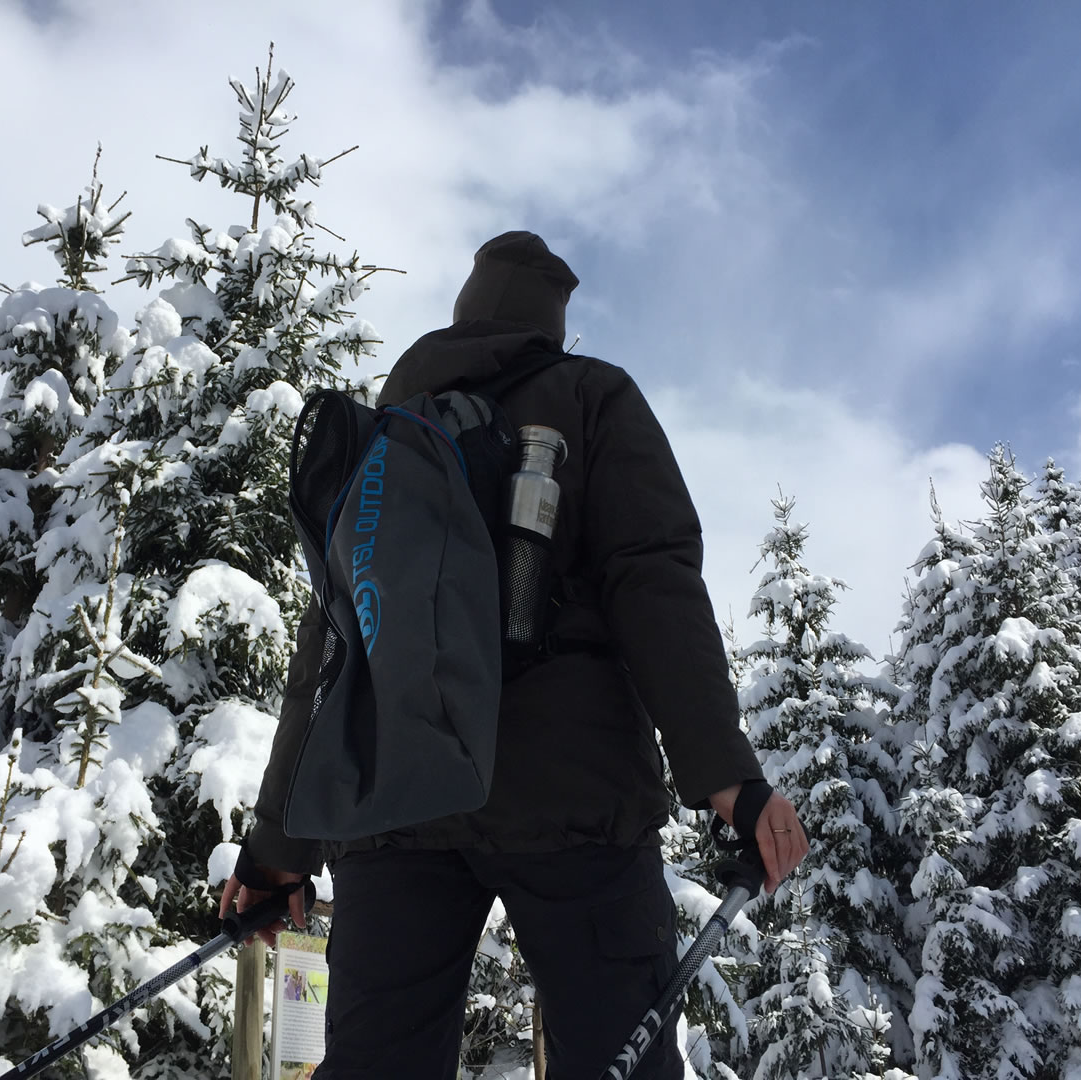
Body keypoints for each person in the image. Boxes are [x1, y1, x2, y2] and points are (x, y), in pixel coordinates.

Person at [219, 232, 808, 1078]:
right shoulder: (591, 396)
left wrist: (281, 847)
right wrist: (726, 774)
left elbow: (331, 646)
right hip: (573, 794)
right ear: (550, 326)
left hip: (395, 801)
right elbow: (653, 582)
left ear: (463, 316)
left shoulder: (386, 437)